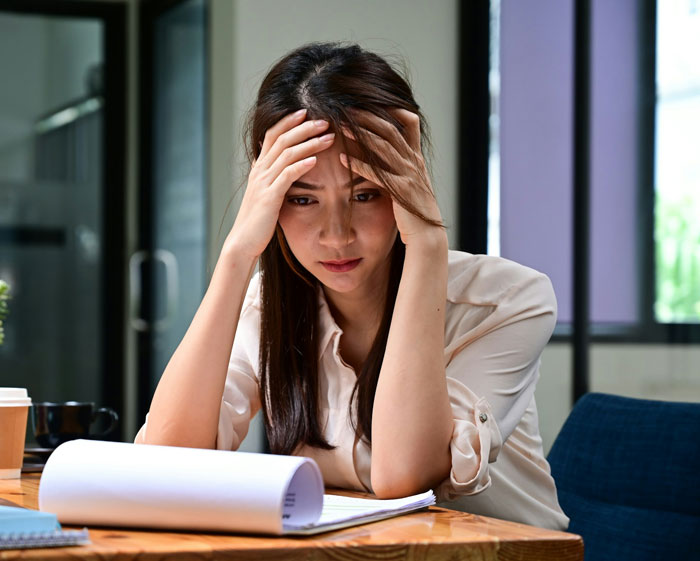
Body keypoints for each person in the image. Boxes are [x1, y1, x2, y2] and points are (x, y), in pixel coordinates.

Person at [135, 41, 569, 531]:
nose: (337, 234)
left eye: (366, 194)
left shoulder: (507, 301)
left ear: (408, 185)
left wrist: (426, 240)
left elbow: (402, 476)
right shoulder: (270, 305)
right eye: (301, 200)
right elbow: (168, 462)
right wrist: (238, 253)